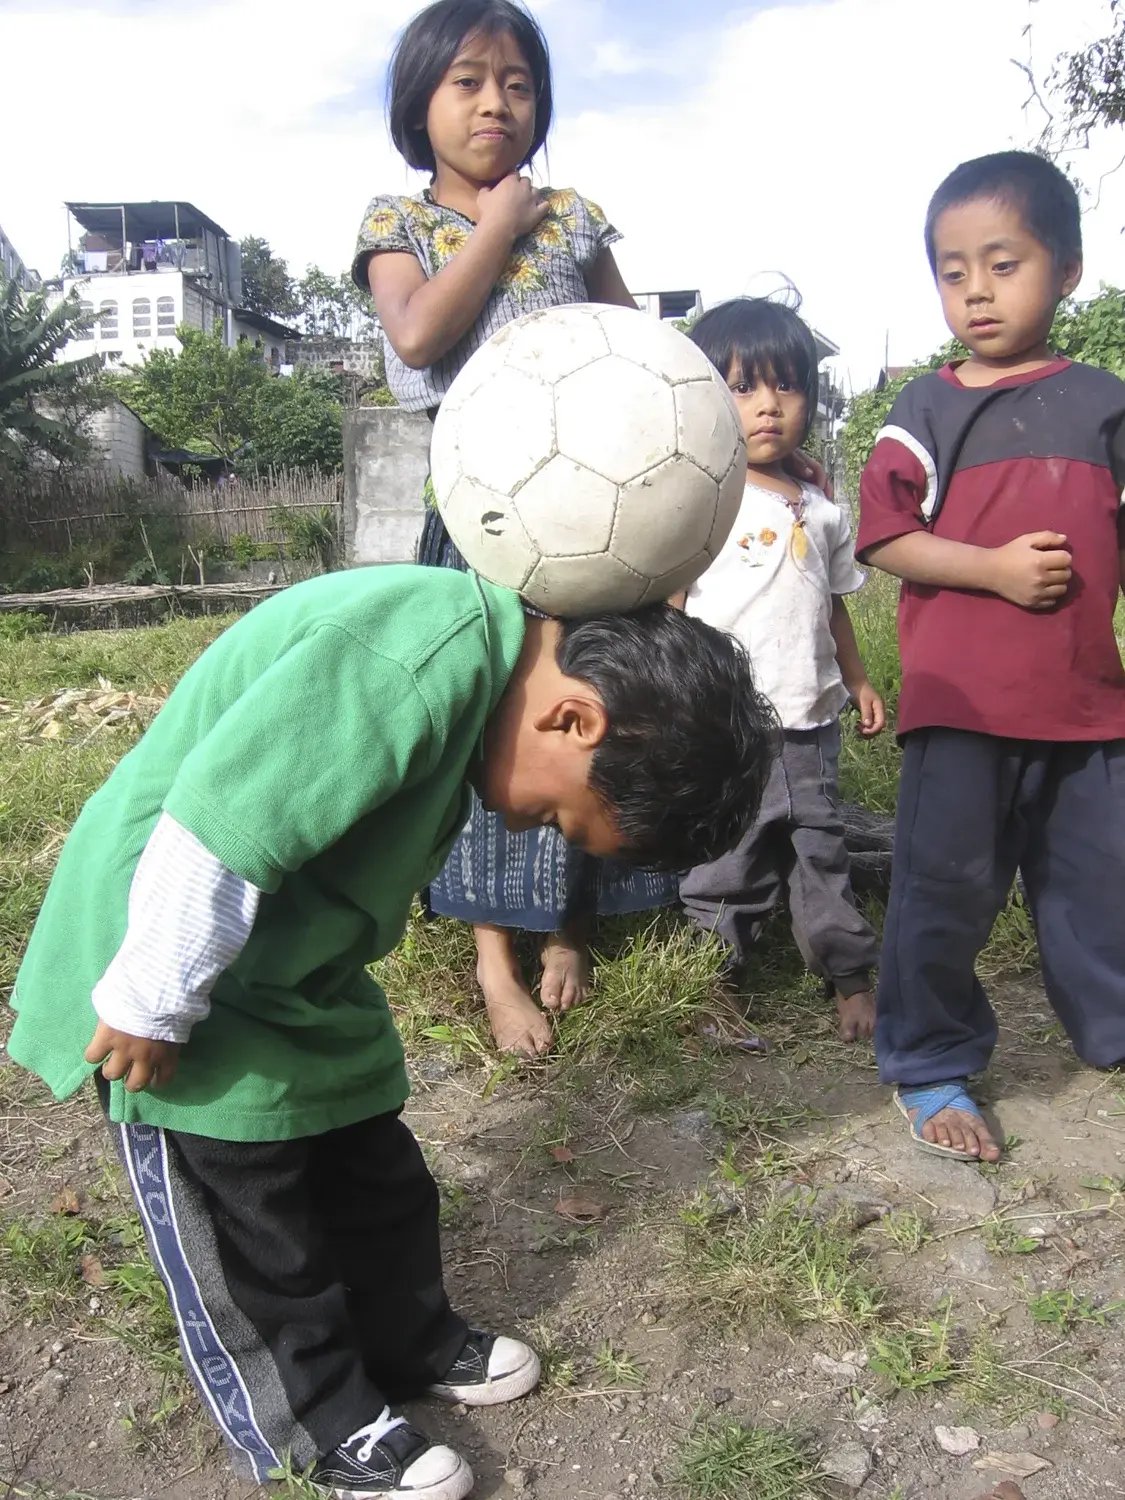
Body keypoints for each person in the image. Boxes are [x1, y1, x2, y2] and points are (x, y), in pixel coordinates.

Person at [8, 565, 778, 1500]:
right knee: (254, 1213)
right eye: (557, 818)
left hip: (295, 959)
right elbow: (219, 826)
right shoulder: (414, 645)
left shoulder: (489, 679)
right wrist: (152, 1002)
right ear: (573, 720)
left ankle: (405, 1341)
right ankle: (313, 1422)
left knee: (377, 1175)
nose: (533, 828)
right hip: (171, 950)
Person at [349, 0, 676, 1058]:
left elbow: (643, 355)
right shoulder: (394, 227)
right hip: (483, 519)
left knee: (595, 709)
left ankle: (572, 925)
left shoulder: (577, 218)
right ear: (420, 102)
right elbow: (417, 338)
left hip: (603, 519)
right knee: (491, 726)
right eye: (468, 80)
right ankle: (496, 955)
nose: (496, 101)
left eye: (519, 83)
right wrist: (494, 229)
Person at [856, 150, 1125, 1163]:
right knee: (945, 890)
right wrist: (995, 570)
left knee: (1103, 884)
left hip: (1090, 710)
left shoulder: (1104, 403)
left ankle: (1112, 1034)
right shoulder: (926, 408)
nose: (974, 290)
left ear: (1068, 269)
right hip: (960, 707)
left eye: (1001, 264)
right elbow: (883, 534)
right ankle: (928, 1060)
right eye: (952, 269)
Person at [679, 298, 885, 1043]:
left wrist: (856, 679)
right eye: (741, 387)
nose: (767, 406)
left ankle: (848, 976)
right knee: (726, 858)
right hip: (729, 721)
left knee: (820, 849)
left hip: (809, 719)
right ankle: (714, 984)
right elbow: (672, 605)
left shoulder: (821, 508)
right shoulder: (703, 496)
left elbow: (832, 606)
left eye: (785, 385)